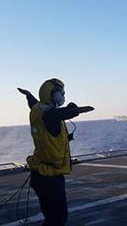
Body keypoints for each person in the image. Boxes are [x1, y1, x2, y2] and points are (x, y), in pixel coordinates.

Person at [18, 78, 94, 225]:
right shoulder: (49, 115)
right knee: (57, 219)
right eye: (61, 93)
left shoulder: (38, 109)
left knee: (53, 218)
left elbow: (33, 103)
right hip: (49, 176)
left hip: (42, 174)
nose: (63, 96)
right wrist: (75, 110)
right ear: (52, 94)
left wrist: (28, 95)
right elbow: (58, 115)